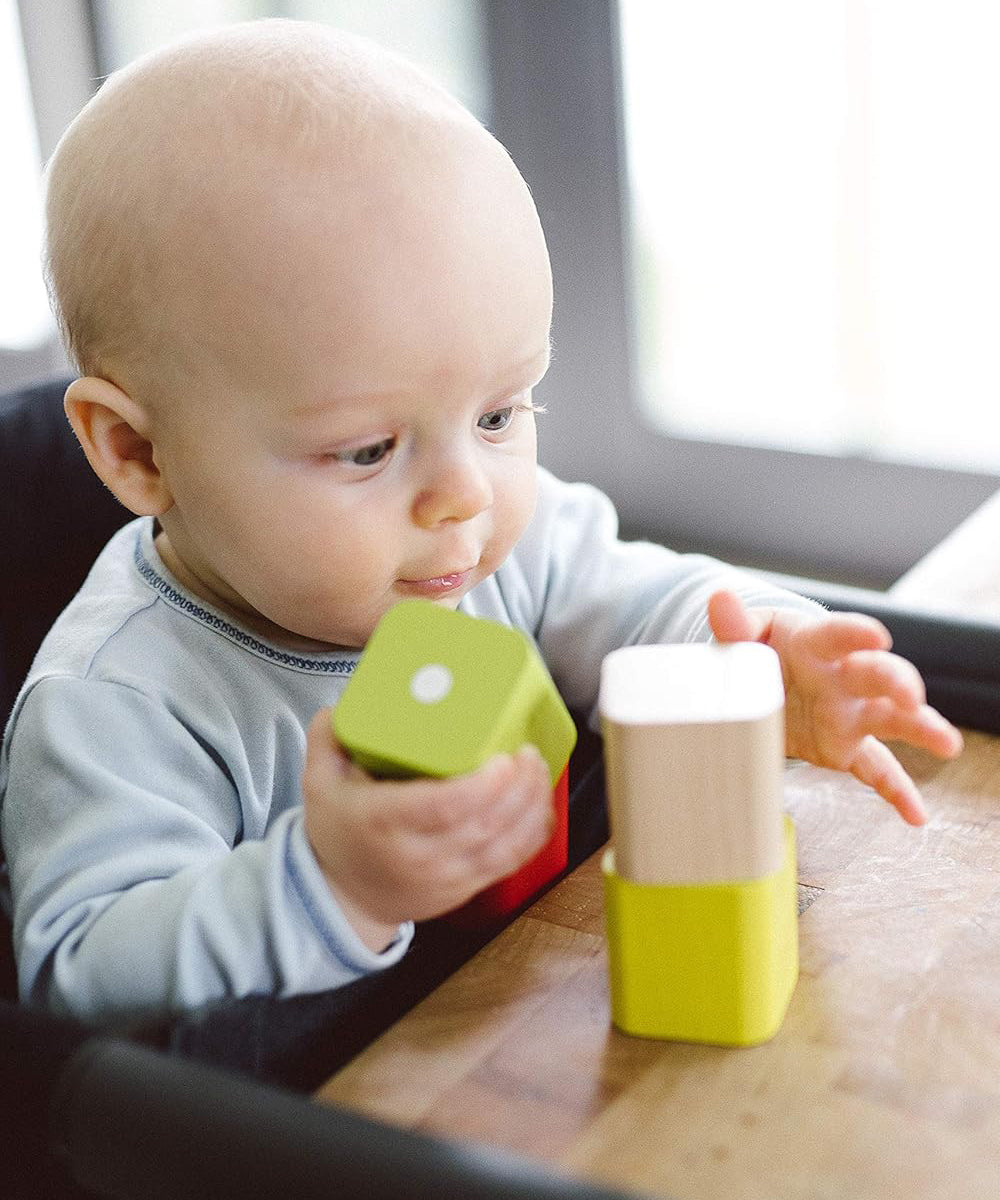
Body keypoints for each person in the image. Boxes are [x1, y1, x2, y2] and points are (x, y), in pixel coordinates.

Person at [0, 21, 962, 1023]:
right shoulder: (118, 706)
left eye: (499, 413)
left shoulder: (476, 548)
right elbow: (79, 978)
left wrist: (760, 656)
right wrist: (332, 884)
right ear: (138, 453)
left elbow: (639, 599)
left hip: (540, 1013)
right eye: (369, 449)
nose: (463, 493)